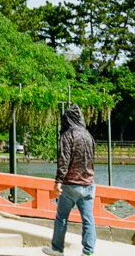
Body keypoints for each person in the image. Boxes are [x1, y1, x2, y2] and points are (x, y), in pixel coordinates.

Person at [42, 104, 96, 256]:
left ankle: (57, 248)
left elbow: (63, 160)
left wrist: (58, 182)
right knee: (88, 219)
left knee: (62, 218)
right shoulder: (88, 136)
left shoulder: (67, 135)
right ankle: (88, 251)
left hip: (71, 184)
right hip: (88, 183)